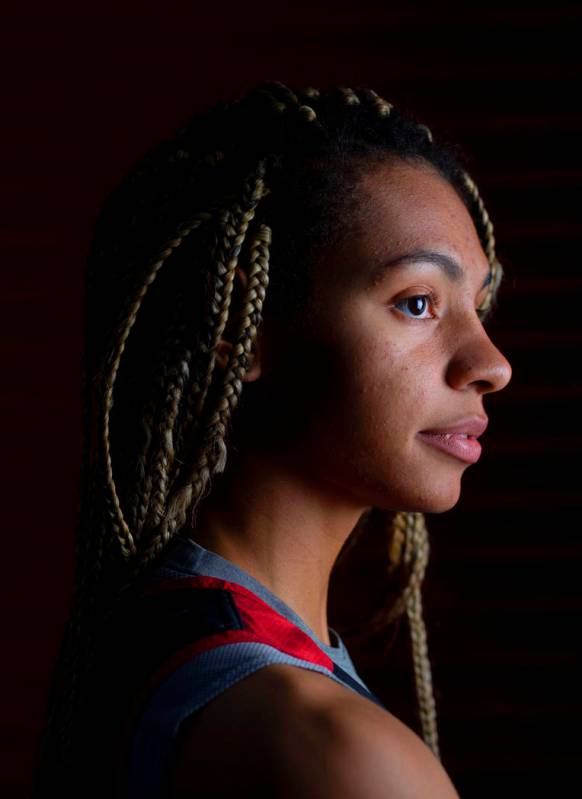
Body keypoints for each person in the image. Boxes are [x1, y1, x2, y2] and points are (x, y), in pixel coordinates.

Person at [33, 81, 512, 798]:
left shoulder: (145, 650)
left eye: (476, 308)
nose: (492, 364)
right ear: (238, 323)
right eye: (417, 303)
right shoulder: (339, 756)